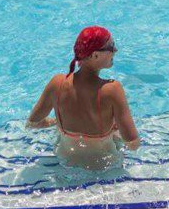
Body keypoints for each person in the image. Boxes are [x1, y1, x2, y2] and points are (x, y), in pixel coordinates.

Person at [27, 26, 140, 170]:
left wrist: (55, 122)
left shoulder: (57, 83)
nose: (115, 50)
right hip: (102, 167)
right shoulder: (112, 90)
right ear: (95, 55)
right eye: (111, 46)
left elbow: (33, 123)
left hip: (65, 162)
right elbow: (133, 143)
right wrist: (114, 130)